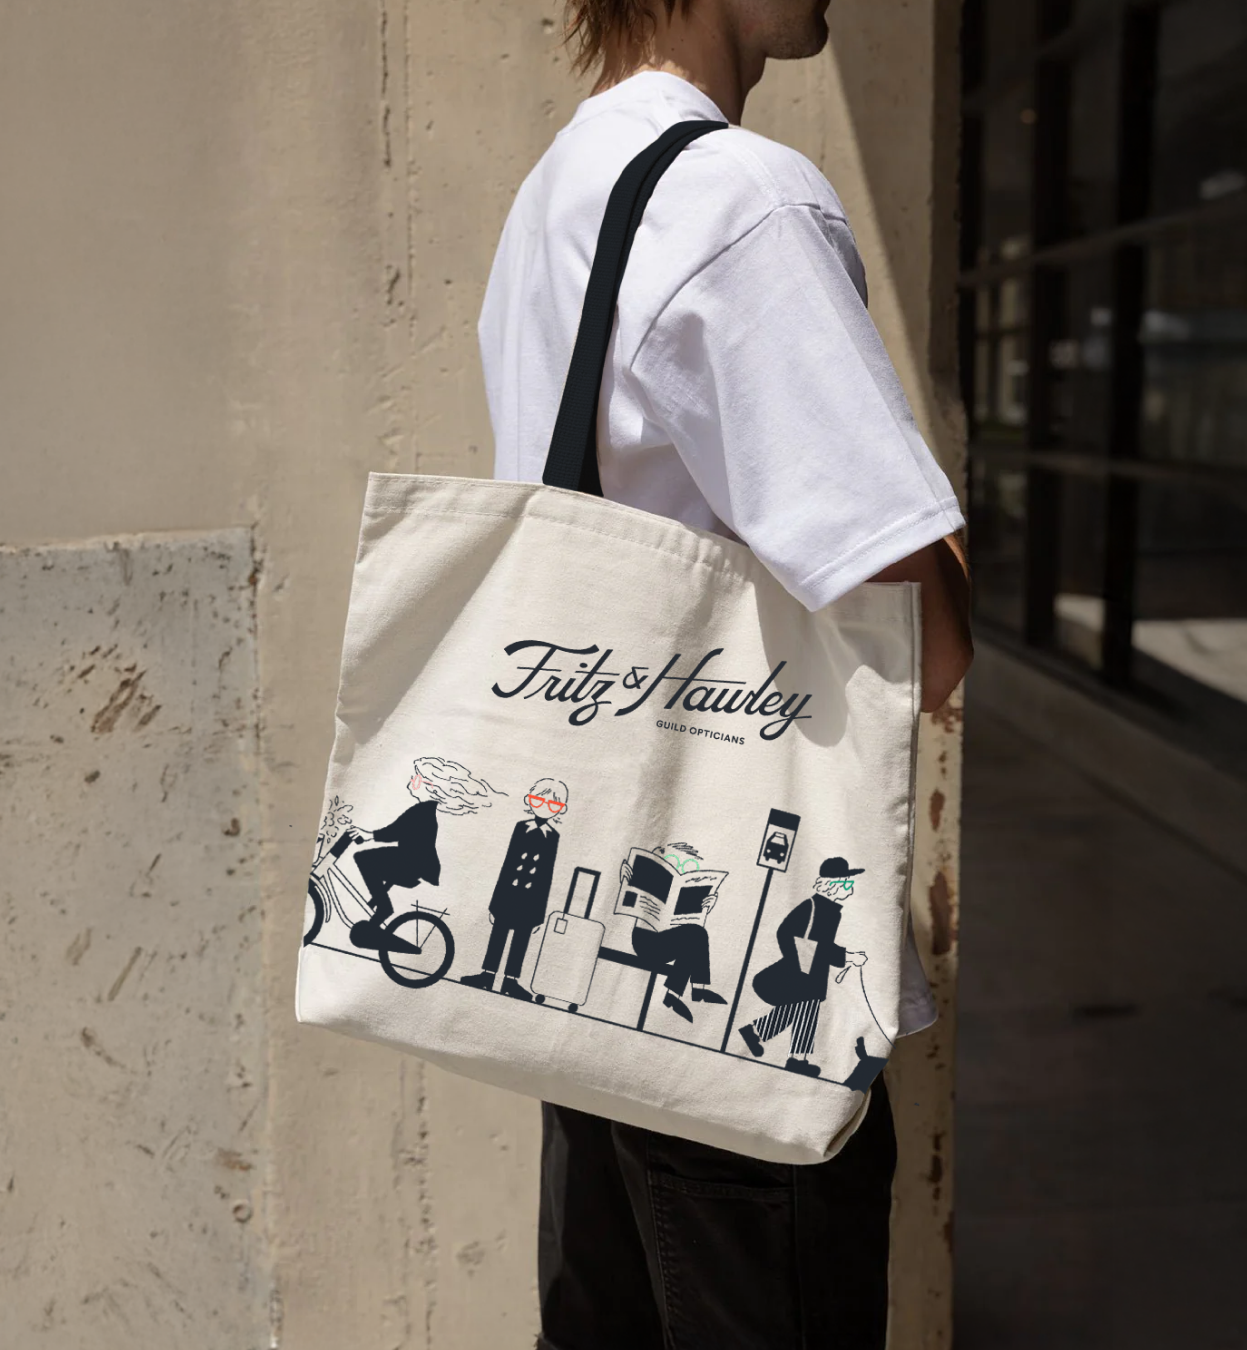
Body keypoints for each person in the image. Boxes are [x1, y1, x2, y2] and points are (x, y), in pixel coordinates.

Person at [478, 0, 974, 1343]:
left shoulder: (557, 193)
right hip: (733, 961)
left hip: (586, 932)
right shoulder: (739, 200)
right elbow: (923, 632)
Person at [739, 856, 868, 1076]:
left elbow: (819, 945)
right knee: (803, 1011)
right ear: (831, 884)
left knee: (801, 1011)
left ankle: (760, 1035)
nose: (850, 888)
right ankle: (793, 1056)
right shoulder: (814, 907)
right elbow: (787, 933)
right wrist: (844, 957)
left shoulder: (829, 909)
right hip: (802, 973)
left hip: (812, 974)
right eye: (846, 884)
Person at [460, 778, 570, 1001]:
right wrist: (495, 903)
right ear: (529, 800)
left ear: (560, 808)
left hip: (531, 901)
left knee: (521, 941)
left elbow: (546, 876)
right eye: (539, 800)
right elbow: (508, 865)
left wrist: (539, 913)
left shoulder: (553, 836)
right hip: (508, 895)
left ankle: (510, 981)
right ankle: (488, 975)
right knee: (498, 935)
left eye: (553, 803)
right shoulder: (521, 828)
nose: (545, 806)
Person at [346, 758, 445, 952]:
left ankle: (383, 907)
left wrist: (369, 835)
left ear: (429, 786)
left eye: (417, 779)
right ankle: (380, 901)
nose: (411, 783)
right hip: (409, 859)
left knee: (363, 858)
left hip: (412, 864)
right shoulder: (423, 809)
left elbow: (396, 831)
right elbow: (398, 830)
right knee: (367, 859)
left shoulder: (423, 811)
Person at [621, 841, 727, 1022]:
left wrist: (706, 907)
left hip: (667, 943)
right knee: (697, 935)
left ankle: (675, 995)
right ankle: (694, 991)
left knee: (694, 939)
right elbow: (627, 898)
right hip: (645, 941)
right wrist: (625, 879)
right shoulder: (649, 875)